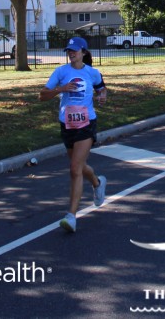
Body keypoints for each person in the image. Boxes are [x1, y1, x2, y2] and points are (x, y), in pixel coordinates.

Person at [39, 37, 108, 233]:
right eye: (69, 50)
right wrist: (61, 89)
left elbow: (102, 89)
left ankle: (71, 216)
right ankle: (97, 183)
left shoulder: (92, 73)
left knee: (74, 168)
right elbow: (42, 95)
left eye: (75, 50)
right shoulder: (61, 72)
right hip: (67, 124)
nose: (71, 53)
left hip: (86, 123)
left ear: (83, 52)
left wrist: (102, 96)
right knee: (79, 166)